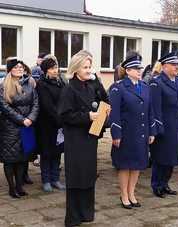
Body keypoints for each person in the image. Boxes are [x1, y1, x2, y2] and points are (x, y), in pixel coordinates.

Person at [58, 51, 108, 227]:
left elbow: (104, 100)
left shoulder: (90, 85)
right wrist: (87, 116)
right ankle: (73, 218)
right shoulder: (69, 89)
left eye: (90, 67)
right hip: (75, 140)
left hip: (90, 138)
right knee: (76, 177)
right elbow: (64, 116)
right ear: (76, 68)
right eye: (85, 67)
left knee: (88, 176)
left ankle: (86, 213)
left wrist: (98, 82)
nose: (89, 70)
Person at [109, 52, 156, 209]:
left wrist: (152, 131)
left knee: (137, 165)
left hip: (141, 132)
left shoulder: (145, 87)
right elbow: (114, 113)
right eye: (135, 68)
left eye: (140, 68)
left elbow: (150, 111)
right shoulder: (118, 87)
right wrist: (116, 134)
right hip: (126, 133)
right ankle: (124, 195)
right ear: (127, 70)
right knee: (125, 165)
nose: (139, 70)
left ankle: (132, 193)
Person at [0, 57, 39, 198]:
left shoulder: (29, 83)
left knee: (23, 158)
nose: (19, 69)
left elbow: (35, 103)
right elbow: (4, 106)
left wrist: (30, 119)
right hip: (10, 128)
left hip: (27, 126)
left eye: (21, 67)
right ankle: (11, 188)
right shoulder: (4, 85)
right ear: (10, 70)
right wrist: (22, 120)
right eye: (16, 67)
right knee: (10, 159)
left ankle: (19, 186)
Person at [149, 52, 178, 198]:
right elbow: (155, 108)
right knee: (161, 158)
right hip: (164, 127)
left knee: (172, 158)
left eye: (177, 64)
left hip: (177, 126)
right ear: (164, 66)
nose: (176, 67)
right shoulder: (156, 83)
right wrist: (158, 128)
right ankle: (157, 185)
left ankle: (165, 184)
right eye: (173, 64)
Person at [36, 56, 66, 192]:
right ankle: (46, 180)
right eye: (52, 68)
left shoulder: (61, 83)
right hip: (47, 125)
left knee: (57, 153)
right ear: (45, 70)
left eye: (56, 67)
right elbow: (47, 106)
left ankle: (55, 179)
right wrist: (60, 120)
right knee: (46, 153)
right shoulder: (42, 84)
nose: (55, 71)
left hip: (60, 126)